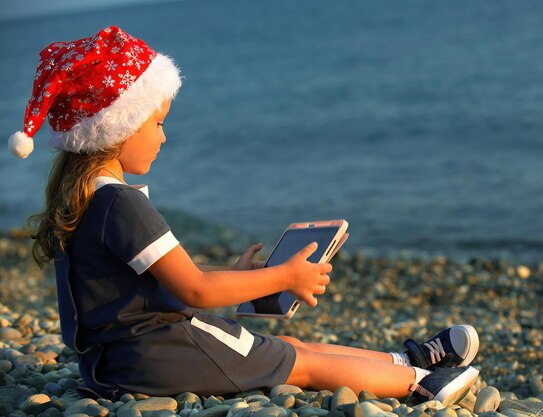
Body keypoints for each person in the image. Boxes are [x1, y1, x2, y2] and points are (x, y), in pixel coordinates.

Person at [10, 26, 480, 405]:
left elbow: (152, 286)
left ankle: (405, 360)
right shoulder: (121, 203)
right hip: (154, 355)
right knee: (300, 362)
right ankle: (420, 383)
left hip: (124, 358)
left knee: (291, 351)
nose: (164, 137)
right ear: (120, 125)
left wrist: (238, 276)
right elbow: (195, 289)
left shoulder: (88, 199)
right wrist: (284, 276)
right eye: (158, 123)